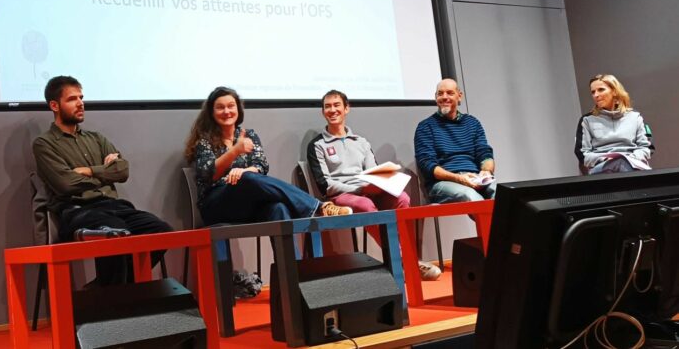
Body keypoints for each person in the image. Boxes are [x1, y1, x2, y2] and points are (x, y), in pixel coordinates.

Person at [33, 75, 172, 285]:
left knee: (161, 230)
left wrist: (88, 171)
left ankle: (104, 290)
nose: (80, 103)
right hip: (77, 211)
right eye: (72, 99)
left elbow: (122, 171)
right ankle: (112, 294)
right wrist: (105, 172)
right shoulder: (44, 144)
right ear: (54, 105)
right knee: (115, 232)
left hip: (114, 206)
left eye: (81, 97)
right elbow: (65, 184)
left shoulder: (96, 138)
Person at [307, 89, 441, 280]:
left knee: (402, 198)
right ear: (323, 112)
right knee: (365, 205)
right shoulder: (317, 145)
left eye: (337, 105)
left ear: (347, 109)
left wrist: (380, 182)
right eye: (327, 106)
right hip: (341, 197)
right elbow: (325, 185)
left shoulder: (361, 142)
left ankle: (407, 256)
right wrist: (360, 189)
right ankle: (403, 260)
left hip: (368, 189)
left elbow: (374, 172)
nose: (332, 110)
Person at [184, 86, 351, 226]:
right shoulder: (204, 141)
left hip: (248, 204)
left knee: (278, 208)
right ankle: (319, 207)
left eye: (231, 106)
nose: (227, 111)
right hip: (216, 206)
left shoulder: (247, 134)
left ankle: (289, 265)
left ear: (238, 109)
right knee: (248, 178)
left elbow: (261, 166)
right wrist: (235, 151)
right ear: (212, 113)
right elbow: (207, 174)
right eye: (220, 107)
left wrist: (247, 170)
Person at [413, 78, 496, 203]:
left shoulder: (473, 123)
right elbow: (427, 166)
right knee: (471, 196)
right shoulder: (425, 127)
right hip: (442, 183)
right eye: (440, 94)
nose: (444, 97)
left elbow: (484, 153)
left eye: (450, 93)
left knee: (500, 193)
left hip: (474, 177)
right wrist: (459, 178)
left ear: (459, 96)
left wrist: (486, 171)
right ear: (436, 98)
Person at [575, 74, 652, 174]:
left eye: (601, 90)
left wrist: (630, 158)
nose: (596, 95)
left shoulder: (635, 117)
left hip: (632, 162)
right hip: (601, 166)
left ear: (615, 91)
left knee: (622, 163)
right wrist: (604, 158)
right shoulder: (586, 120)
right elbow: (582, 154)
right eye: (593, 92)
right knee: (618, 164)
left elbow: (646, 147)